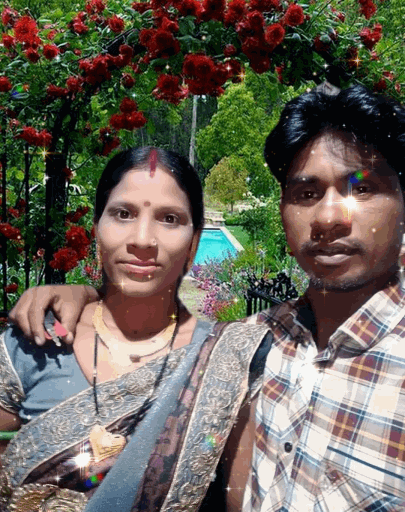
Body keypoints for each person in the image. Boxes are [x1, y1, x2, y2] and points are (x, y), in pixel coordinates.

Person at [0, 145, 272, 512]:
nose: (143, 240)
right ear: (97, 231)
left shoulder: (225, 362)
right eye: (123, 214)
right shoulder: (38, 338)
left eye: (169, 218)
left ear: (194, 244)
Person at [236, 83, 405, 510]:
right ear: (283, 212)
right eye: (307, 194)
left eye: (362, 188)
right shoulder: (251, 341)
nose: (328, 218)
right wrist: (87, 297)